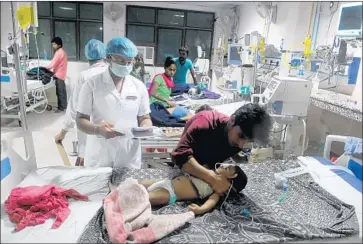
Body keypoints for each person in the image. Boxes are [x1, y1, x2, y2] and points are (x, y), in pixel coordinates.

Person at [76, 37, 153, 168]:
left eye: (129, 62)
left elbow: (144, 117)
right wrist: (97, 130)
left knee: (128, 188)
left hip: (128, 153)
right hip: (100, 153)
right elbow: (80, 120)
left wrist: (145, 127)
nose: (126, 65)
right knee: (100, 187)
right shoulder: (92, 85)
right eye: (121, 61)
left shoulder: (138, 86)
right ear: (108, 58)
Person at [171, 103, 272, 195]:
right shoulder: (204, 123)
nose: (241, 145)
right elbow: (179, 156)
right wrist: (210, 177)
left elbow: (214, 162)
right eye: (241, 136)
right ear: (232, 120)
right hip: (186, 166)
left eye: (247, 140)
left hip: (203, 170)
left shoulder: (235, 142)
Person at [55, 39, 107, 166]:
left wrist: (63, 131)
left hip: (88, 131)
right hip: (110, 131)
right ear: (104, 54)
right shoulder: (112, 74)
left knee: (87, 169)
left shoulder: (84, 76)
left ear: (87, 55)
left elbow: (74, 107)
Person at [138, 164, 247, 215]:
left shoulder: (216, 191)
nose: (223, 165)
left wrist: (201, 209)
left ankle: (126, 200)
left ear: (231, 178)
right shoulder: (208, 172)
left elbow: (211, 202)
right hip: (166, 182)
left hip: (171, 193)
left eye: (227, 168)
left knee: (145, 198)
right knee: (137, 183)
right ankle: (124, 189)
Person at [46, 37, 68, 113]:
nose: (53, 46)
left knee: (59, 92)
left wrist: (44, 68)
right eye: (52, 44)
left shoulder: (59, 52)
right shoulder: (62, 52)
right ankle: (64, 106)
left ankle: (61, 108)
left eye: (54, 44)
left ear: (59, 44)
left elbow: (52, 63)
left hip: (59, 75)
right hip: (62, 74)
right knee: (62, 91)